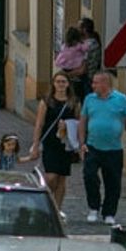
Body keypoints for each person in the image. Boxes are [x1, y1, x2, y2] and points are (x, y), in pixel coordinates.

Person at [77, 71, 126, 225]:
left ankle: (109, 212)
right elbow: (83, 121)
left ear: (105, 83)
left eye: (96, 83)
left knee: (113, 182)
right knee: (89, 176)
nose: (93, 86)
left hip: (113, 148)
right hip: (92, 145)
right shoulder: (89, 99)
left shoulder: (121, 99)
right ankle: (93, 206)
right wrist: (81, 142)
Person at [27, 71, 79, 214]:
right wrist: (36, 145)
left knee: (62, 178)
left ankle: (56, 210)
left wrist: (68, 126)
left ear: (68, 84)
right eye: (58, 82)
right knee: (51, 177)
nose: (61, 84)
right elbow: (39, 123)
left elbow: (79, 122)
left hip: (65, 143)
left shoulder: (73, 102)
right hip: (50, 142)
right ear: (53, 84)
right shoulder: (47, 101)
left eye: (63, 82)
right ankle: (45, 202)